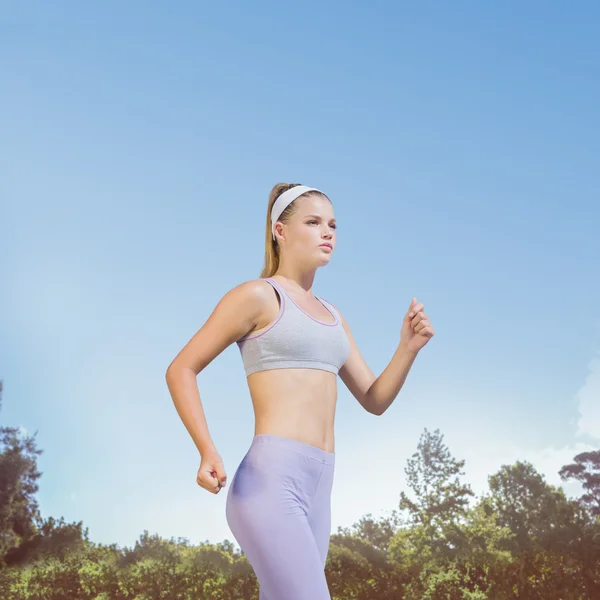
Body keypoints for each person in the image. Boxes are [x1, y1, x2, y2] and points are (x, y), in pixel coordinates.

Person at [165, 183, 435, 599]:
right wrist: (207, 450)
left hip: (320, 485)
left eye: (332, 225)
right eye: (313, 222)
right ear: (280, 230)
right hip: (270, 481)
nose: (328, 232)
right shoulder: (258, 296)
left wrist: (407, 349)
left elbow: (374, 399)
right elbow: (181, 368)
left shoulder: (333, 316)